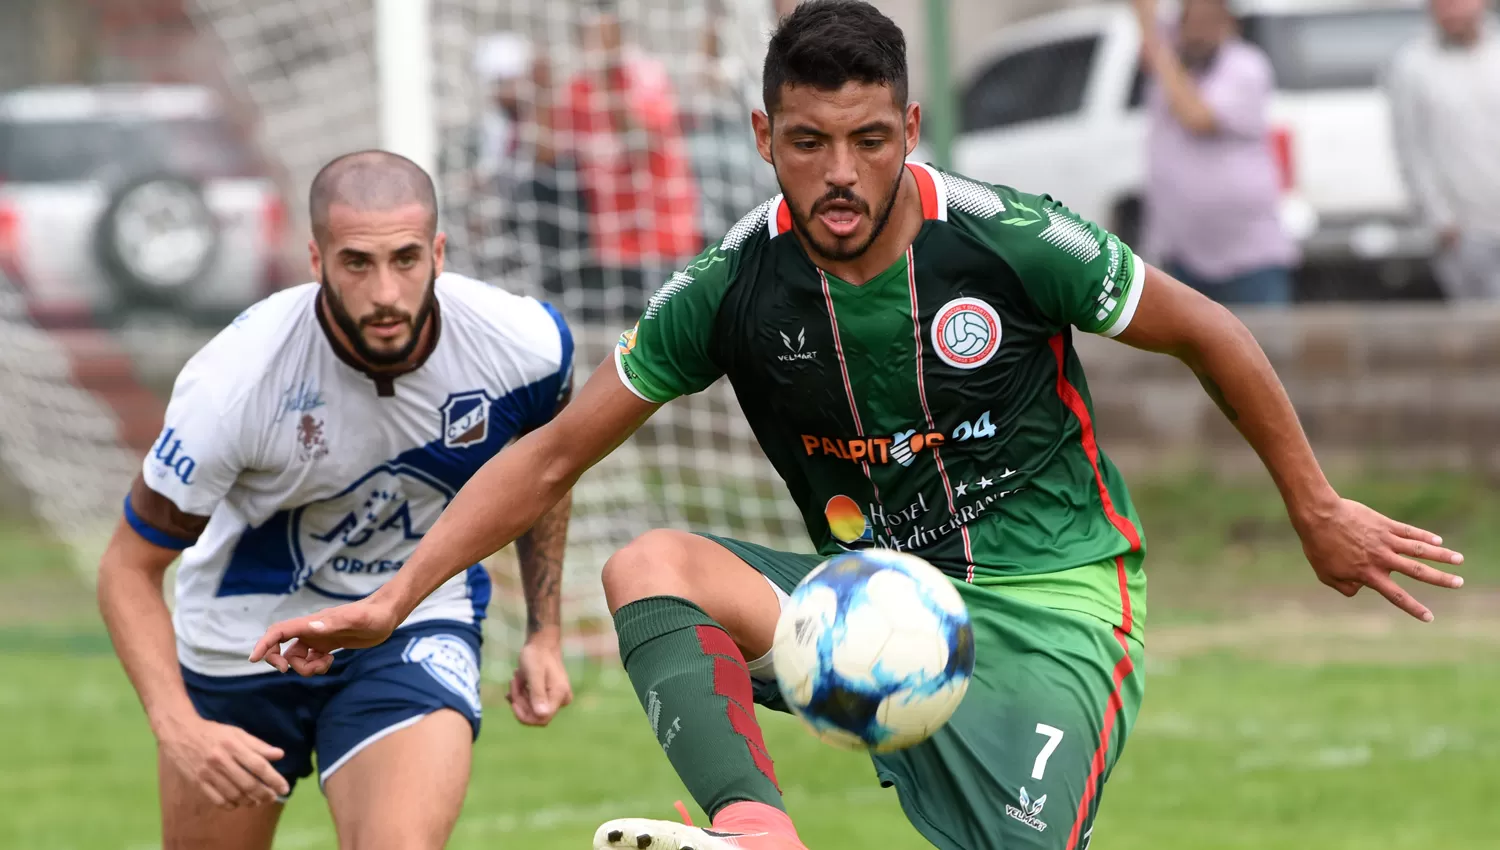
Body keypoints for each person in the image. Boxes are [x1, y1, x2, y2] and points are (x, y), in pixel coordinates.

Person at [250, 4, 1466, 850]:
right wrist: (395, 593)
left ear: (911, 131)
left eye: (869, 140)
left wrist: (1313, 507)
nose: (840, 171)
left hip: (1056, 612)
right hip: (864, 609)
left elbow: (1209, 327)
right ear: (764, 137)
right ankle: (757, 828)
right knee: (650, 565)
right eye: (811, 141)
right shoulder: (733, 285)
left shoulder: (1009, 238)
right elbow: (556, 451)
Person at [97, 150, 577, 850]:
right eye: (357, 263)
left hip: (408, 621)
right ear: (316, 261)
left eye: (407, 259)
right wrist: (179, 727)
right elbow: (127, 569)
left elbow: (545, 473)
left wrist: (544, 631)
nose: (386, 291)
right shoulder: (233, 386)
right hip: (242, 644)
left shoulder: (524, 347)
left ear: (439, 252)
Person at [1135, 0, 1299, 306]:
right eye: (1190, 22)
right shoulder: (1172, 66)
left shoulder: (1246, 66)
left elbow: (1197, 116)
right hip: (1181, 256)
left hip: (1249, 262)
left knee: (1258, 352)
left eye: (1207, 22)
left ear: (1229, 24)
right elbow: (1148, 36)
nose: (1197, 32)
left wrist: (1161, 49)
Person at [557, 0, 703, 322]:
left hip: (661, 239)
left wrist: (607, 79)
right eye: (589, 35)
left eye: (603, 34)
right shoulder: (577, 89)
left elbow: (643, 136)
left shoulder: (645, 76)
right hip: (610, 241)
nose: (596, 44)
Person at [1388, 0, 1500, 301]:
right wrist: (1439, 219)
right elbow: (1410, 150)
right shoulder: (1413, 65)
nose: (1452, 11)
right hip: (1464, 231)